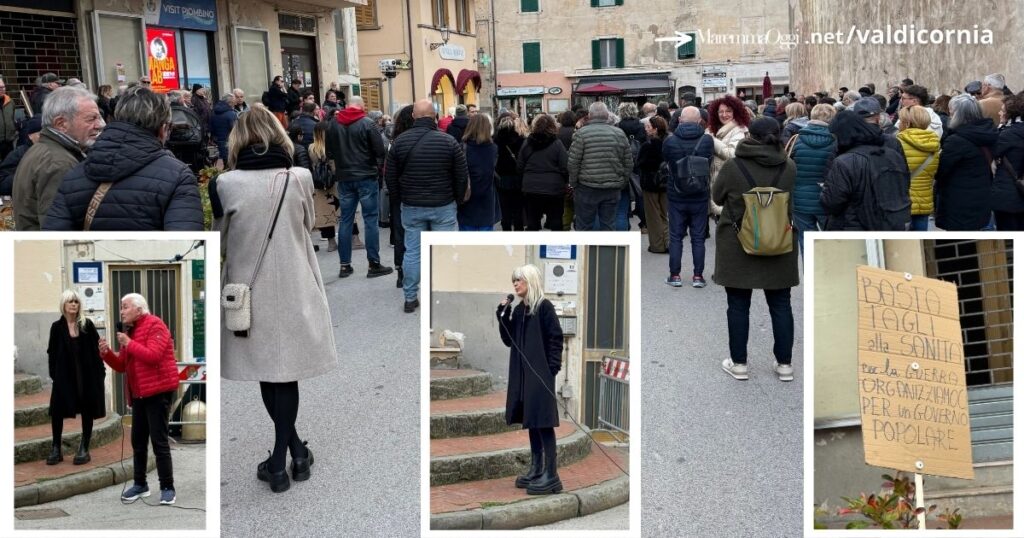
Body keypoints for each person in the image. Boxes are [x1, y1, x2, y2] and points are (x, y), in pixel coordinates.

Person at [213, 103, 337, 493]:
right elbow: (309, 225)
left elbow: (221, 236)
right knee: (284, 372)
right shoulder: (298, 177)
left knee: (271, 372)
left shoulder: (225, 184)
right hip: (296, 282)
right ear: (278, 134)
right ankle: (293, 453)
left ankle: (279, 461)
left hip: (250, 290)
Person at [712, 118, 798, 382]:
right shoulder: (789, 166)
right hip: (779, 242)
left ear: (750, 135)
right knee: (781, 305)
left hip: (738, 244)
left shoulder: (733, 166)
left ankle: (739, 363)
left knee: (738, 305)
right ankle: (784, 364)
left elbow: (717, 197)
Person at [44, 87, 203, 230]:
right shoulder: (178, 176)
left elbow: (53, 244)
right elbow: (186, 249)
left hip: (90, 262)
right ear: (163, 128)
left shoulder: (75, 173)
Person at [384, 99, 469, 313]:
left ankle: (410, 297)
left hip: (412, 205)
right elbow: (461, 176)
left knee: (412, 252)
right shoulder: (448, 142)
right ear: (435, 117)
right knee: (445, 251)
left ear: (413, 116)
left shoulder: (399, 143)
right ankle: (444, 296)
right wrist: (456, 200)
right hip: (443, 204)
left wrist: (399, 199)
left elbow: (390, 177)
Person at [99, 293, 180, 505]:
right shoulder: (131, 332)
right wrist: (106, 353)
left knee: (159, 441)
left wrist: (128, 342)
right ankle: (140, 484)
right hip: (139, 395)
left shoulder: (155, 325)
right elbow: (121, 366)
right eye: (121, 308)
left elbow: (153, 356)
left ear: (139, 309)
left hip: (158, 392)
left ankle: (167, 487)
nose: (122, 311)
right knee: (138, 441)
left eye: (125, 307)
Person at [496, 264, 564, 495]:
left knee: (543, 421)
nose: (515, 284)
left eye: (520, 280)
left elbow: (556, 338)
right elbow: (510, 341)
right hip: (523, 375)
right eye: (514, 281)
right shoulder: (518, 311)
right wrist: (502, 317)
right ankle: (536, 468)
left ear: (530, 281)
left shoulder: (543, 307)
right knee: (532, 420)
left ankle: (551, 474)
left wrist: (552, 369)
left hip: (541, 374)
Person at [13, 86, 103, 230]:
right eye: (91, 119)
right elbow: (55, 228)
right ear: (61, 124)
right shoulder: (58, 162)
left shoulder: (44, 149)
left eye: (98, 117)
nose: (99, 125)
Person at [326, 96, 393, 279]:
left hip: (344, 177)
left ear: (347, 106)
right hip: (365, 175)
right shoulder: (367, 123)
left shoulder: (333, 124)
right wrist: (374, 166)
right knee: (370, 219)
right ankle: (373, 263)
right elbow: (379, 151)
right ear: (362, 106)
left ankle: (345, 265)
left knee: (346, 220)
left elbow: (329, 152)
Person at [819, 110, 911, 231]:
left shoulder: (844, 162)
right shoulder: (893, 155)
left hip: (854, 226)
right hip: (892, 222)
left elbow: (832, 202)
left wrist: (824, 191)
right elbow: (905, 184)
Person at [46, 290, 106, 466]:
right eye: (70, 302)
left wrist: (100, 373)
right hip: (64, 377)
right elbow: (51, 352)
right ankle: (56, 448)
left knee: (87, 410)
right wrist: (54, 374)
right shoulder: (56, 327)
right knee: (57, 410)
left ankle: (84, 447)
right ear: (63, 305)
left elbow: (97, 350)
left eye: (76, 302)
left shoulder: (87, 324)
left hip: (86, 375)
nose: (73, 304)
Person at [662, 106, 714, 287]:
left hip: (676, 193)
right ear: (700, 120)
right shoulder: (707, 140)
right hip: (700, 194)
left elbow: (667, 161)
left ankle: (675, 275)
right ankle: (698, 277)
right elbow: (710, 162)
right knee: (698, 237)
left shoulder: (670, 141)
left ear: (680, 120)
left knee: (676, 236)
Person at [934, 94, 998, 231]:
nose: (949, 114)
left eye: (951, 111)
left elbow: (940, 171)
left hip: (958, 201)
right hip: (983, 195)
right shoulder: (989, 133)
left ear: (957, 114)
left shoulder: (956, 141)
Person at [568, 101, 631, 230]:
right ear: (607, 115)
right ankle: (605, 250)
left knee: (584, 226)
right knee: (608, 225)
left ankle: (586, 250)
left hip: (586, 186)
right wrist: (622, 181)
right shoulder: (619, 134)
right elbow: (628, 162)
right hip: (612, 186)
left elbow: (573, 162)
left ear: (589, 115)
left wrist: (574, 183)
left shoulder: (581, 134)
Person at [789, 104, 837, 252]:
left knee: (805, 240)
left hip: (800, 198)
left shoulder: (796, 140)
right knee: (831, 241)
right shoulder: (836, 141)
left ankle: (809, 272)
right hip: (827, 198)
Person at [518, 114, 568, 231]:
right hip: (554, 188)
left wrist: (524, 181)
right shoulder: (557, 144)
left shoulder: (527, 143)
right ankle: (556, 248)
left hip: (531, 187)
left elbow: (520, 166)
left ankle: (533, 247)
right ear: (552, 126)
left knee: (533, 221)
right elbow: (564, 166)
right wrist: (565, 181)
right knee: (556, 220)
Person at [896, 105, 940, 231]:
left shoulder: (897, 141)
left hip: (902, 199)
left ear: (907, 123)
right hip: (924, 198)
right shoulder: (934, 142)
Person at [706, 95, 752, 217]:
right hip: (719, 181)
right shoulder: (717, 129)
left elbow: (732, 154)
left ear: (736, 112)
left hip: (730, 182)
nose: (724, 114)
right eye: (721, 111)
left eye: (728, 111)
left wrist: (712, 140)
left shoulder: (739, 130)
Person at [385, 105, 415, 288]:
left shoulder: (395, 142)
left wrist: (395, 195)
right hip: (412, 194)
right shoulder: (412, 140)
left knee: (400, 234)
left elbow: (390, 173)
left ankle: (401, 271)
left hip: (399, 195)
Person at [458, 113, 499, 230]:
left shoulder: (462, 147)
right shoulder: (493, 148)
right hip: (487, 198)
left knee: (467, 239)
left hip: (467, 197)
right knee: (485, 243)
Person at [991, 92, 1024, 230]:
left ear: (1009, 115)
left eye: (1002, 111)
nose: (999, 113)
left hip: (1008, 194)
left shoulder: (1007, 134)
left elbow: (993, 152)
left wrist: (999, 129)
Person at [638, 116, 668, 252]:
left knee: (653, 215)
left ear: (655, 129)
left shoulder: (648, 146)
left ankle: (657, 245)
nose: (646, 129)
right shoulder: (669, 142)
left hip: (650, 183)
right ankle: (667, 242)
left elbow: (641, 164)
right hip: (666, 183)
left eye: (648, 127)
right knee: (664, 214)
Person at [308, 121, 339, 251]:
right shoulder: (334, 146)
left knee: (324, 212)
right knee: (342, 209)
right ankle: (354, 238)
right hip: (335, 181)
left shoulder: (312, 148)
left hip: (320, 184)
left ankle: (331, 242)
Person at [494, 115, 526, 231]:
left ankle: (506, 230)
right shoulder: (521, 140)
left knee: (505, 208)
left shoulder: (495, 141)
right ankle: (518, 229)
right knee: (518, 208)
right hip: (518, 178)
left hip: (502, 179)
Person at [166, 89, 207, 173]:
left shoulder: (167, 111)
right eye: (182, 98)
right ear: (180, 99)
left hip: (172, 144)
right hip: (190, 144)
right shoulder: (184, 111)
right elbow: (196, 126)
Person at [0, 116, 41, 196]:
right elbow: (2, 183)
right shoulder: (19, 154)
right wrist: (27, 176)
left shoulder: (55, 152)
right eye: (40, 134)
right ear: (30, 135)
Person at [211, 92, 239, 166]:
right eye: (234, 102)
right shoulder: (231, 114)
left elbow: (211, 128)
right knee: (232, 165)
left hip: (219, 142)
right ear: (230, 103)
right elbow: (236, 130)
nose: (235, 104)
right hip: (230, 142)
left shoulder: (214, 112)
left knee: (225, 164)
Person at [0, 77, 17, 160]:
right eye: (0, 87)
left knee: (8, 164)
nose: (2, 89)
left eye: (3, 87)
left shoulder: (10, 102)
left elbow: (12, 118)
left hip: (9, 141)